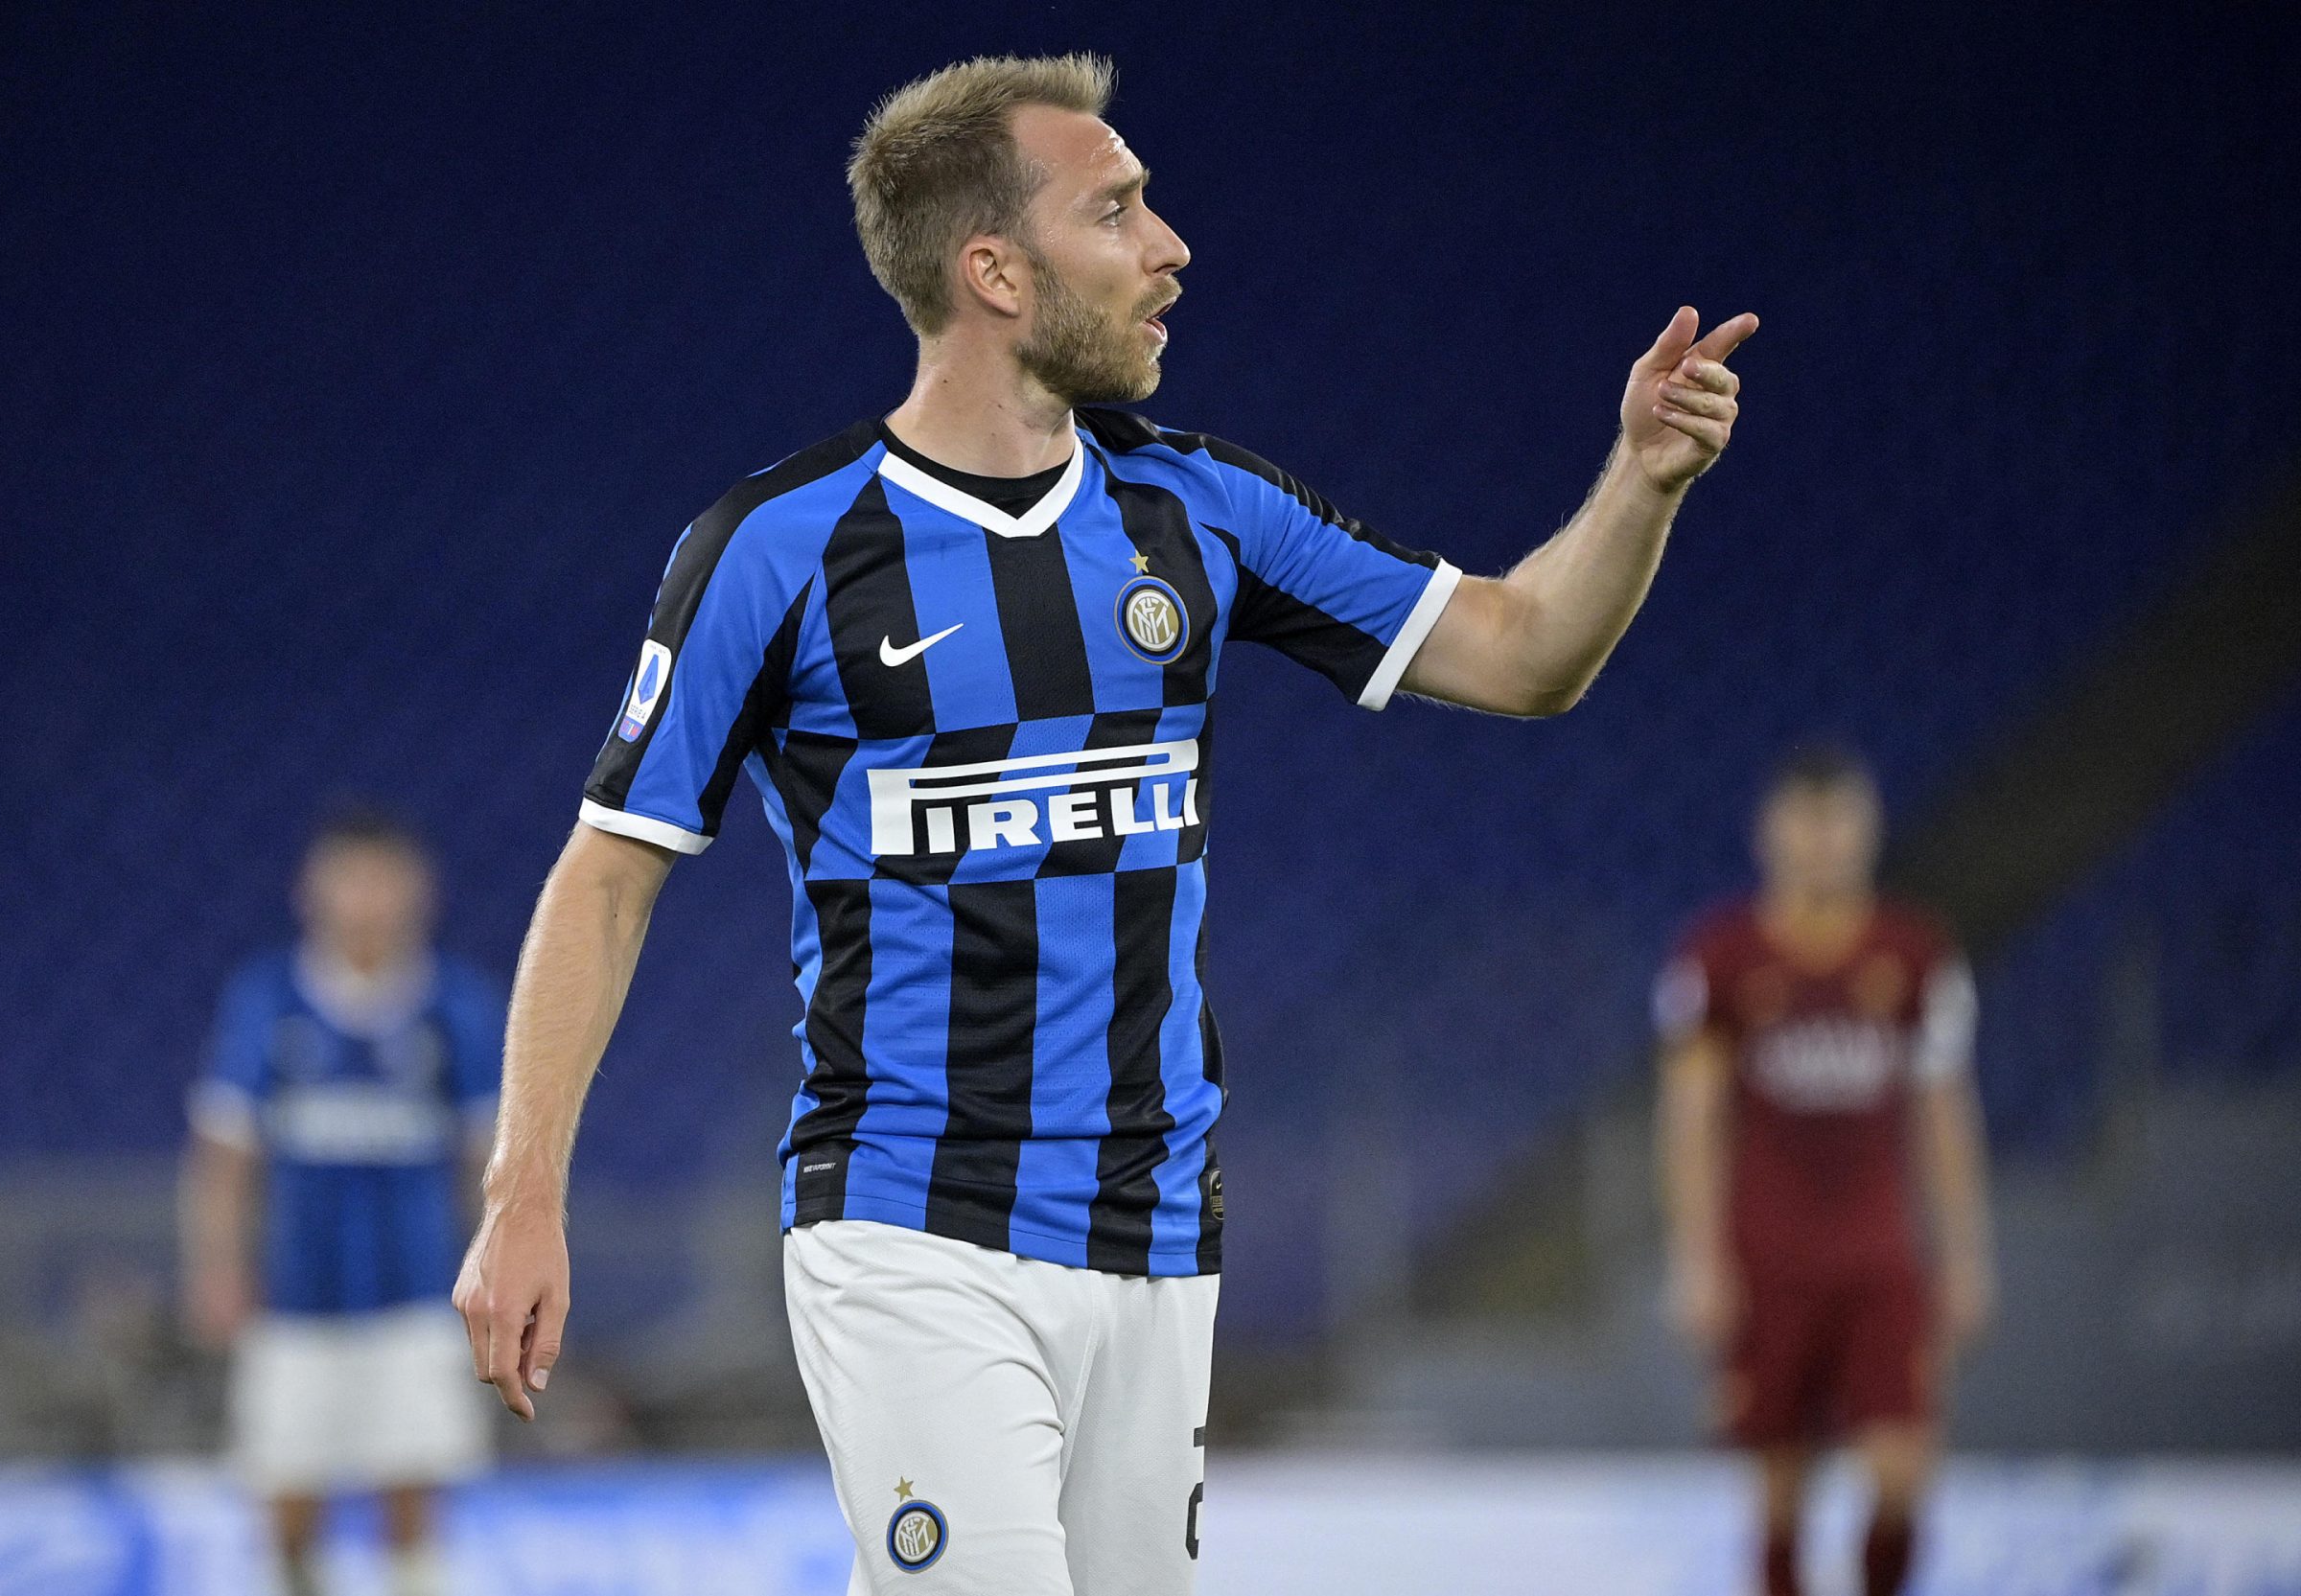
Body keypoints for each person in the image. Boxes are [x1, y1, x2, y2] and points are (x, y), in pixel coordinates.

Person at [454, 51, 1755, 1595]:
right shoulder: (778, 549)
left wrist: (1646, 478)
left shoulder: (1196, 512)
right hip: (908, 1222)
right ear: (993, 269)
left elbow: (1528, 651)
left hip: (1154, 1236)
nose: (1172, 245)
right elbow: (606, 875)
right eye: (1120, 208)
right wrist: (523, 1192)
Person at [1656, 747, 1995, 1596]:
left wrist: (1963, 1252)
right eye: (1804, 823)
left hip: (1877, 1257)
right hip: (1768, 1255)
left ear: (1868, 831)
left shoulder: (1912, 955)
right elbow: (1691, 1119)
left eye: (1837, 821)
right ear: (1769, 833)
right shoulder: (1719, 958)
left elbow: (1945, 1114)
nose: (1821, 844)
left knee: (1900, 1472)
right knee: (1777, 1492)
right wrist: (1696, 1259)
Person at [182, 806, 502, 1596]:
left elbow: (491, 1158)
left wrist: (497, 1270)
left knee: (414, 1491)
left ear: (417, 891)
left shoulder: (454, 1007)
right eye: (348, 878)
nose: (365, 899)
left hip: (418, 1294)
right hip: (295, 1299)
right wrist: (217, 1267)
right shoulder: (269, 1001)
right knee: (288, 1498)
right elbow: (225, 1153)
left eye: (381, 879)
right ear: (311, 891)